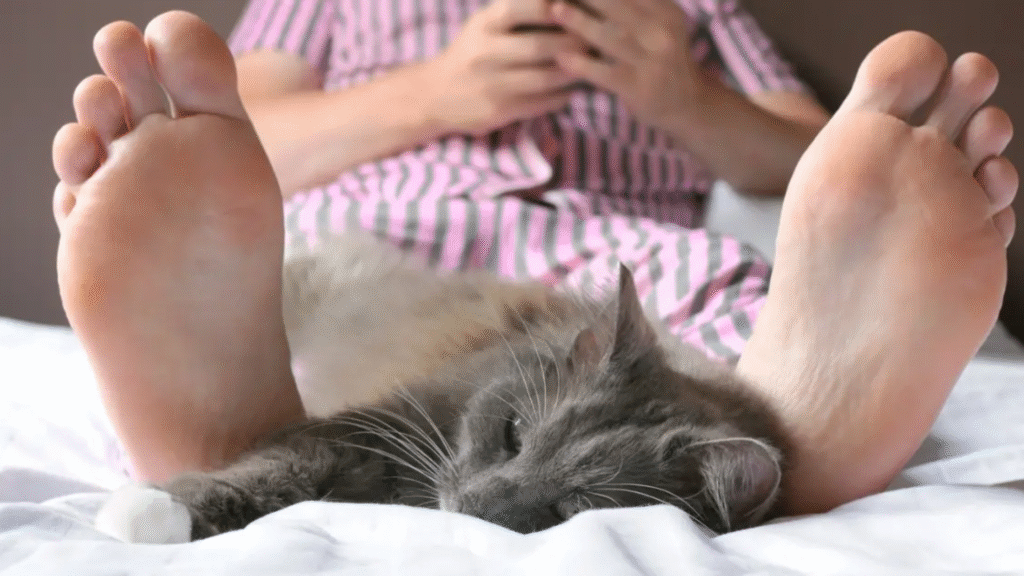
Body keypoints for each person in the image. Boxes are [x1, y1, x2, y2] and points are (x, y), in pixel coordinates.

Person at [51, 4, 1015, 520]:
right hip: (395, 224)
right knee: (307, 275)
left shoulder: (695, 6)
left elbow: (814, 156)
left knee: (725, 295)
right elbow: (238, 131)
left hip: (618, 263)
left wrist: (680, 95)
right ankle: (232, 414)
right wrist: (435, 92)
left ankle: (792, 418)